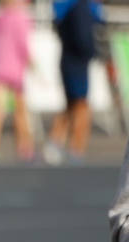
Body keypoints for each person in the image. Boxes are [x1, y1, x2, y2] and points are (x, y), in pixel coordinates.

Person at [44, 0, 105, 164]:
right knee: (81, 105)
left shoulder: (67, 7)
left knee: (72, 103)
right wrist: (92, 53)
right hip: (77, 62)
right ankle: (75, 148)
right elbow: (83, 37)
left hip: (68, 59)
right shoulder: (81, 8)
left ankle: (55, 142)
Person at [0, 0, 34, 163]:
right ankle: (25, 149)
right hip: (15, 70)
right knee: (21, 113)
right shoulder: (22, 18)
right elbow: (23, 45)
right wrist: (31, 63)